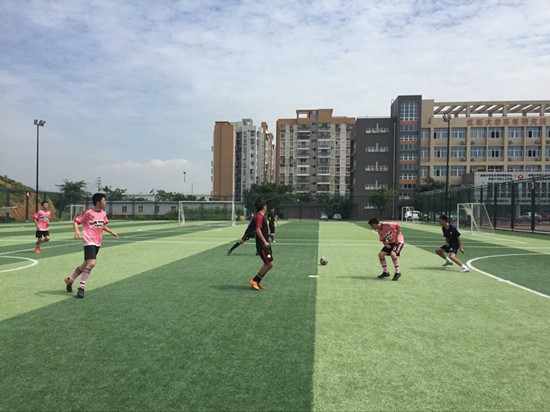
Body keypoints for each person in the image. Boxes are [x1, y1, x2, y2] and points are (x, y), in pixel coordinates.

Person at [64, 193, 118, 298]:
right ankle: (81, 287)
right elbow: (76, 221)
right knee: (92, 262)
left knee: (86, 264)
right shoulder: (88, 213)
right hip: (89, 240)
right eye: (104, 201)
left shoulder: (103, 213)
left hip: (98, 241)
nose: (105, 203)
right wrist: (77, 231)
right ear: (98, 202)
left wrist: (112, 232)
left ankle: (69, 280)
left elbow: (102, 225)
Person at [249, 200, 274, 290]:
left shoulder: (261, 216)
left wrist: (268, 235)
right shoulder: (259, 216)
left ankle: (257, 281)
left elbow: (261, 230)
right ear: (264, 207)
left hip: (264, 244)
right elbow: (258, 229)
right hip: (262, 246)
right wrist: (264, 241)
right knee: (269, 264)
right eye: (266, 205)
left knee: (267, 264)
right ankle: (254, 281)